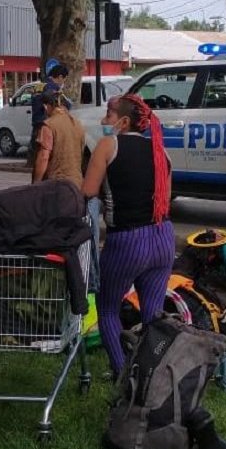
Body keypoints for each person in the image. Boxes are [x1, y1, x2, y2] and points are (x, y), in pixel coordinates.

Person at [82, 94, 174, 377]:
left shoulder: (108, 145)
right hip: (163, 238)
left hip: (127, 241)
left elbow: (88, 191)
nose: (103, 121)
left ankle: (122, 374)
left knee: (108, 308)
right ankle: (148, 374)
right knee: (152, 313)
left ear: (123, 121)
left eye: (108, 116)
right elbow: (166, 198)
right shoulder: (161, 150)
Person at [33, 88, 100, 293]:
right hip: (78, 187)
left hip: (58, 188)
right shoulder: (77, 124)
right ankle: (89, 282)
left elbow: (44, 157)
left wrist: (35, 185)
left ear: (46, 106)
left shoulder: (48, 125)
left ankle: (61, 283)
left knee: (59, 239)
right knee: (82, 241)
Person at [28, 64, 72, 165]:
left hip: (36, 125)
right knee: (47, 160)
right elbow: (64, 105)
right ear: (60, 77)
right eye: (64, 79)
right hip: (47, 127)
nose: (63, 83)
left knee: (38, 158)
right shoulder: (53, 88)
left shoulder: (39, 85)